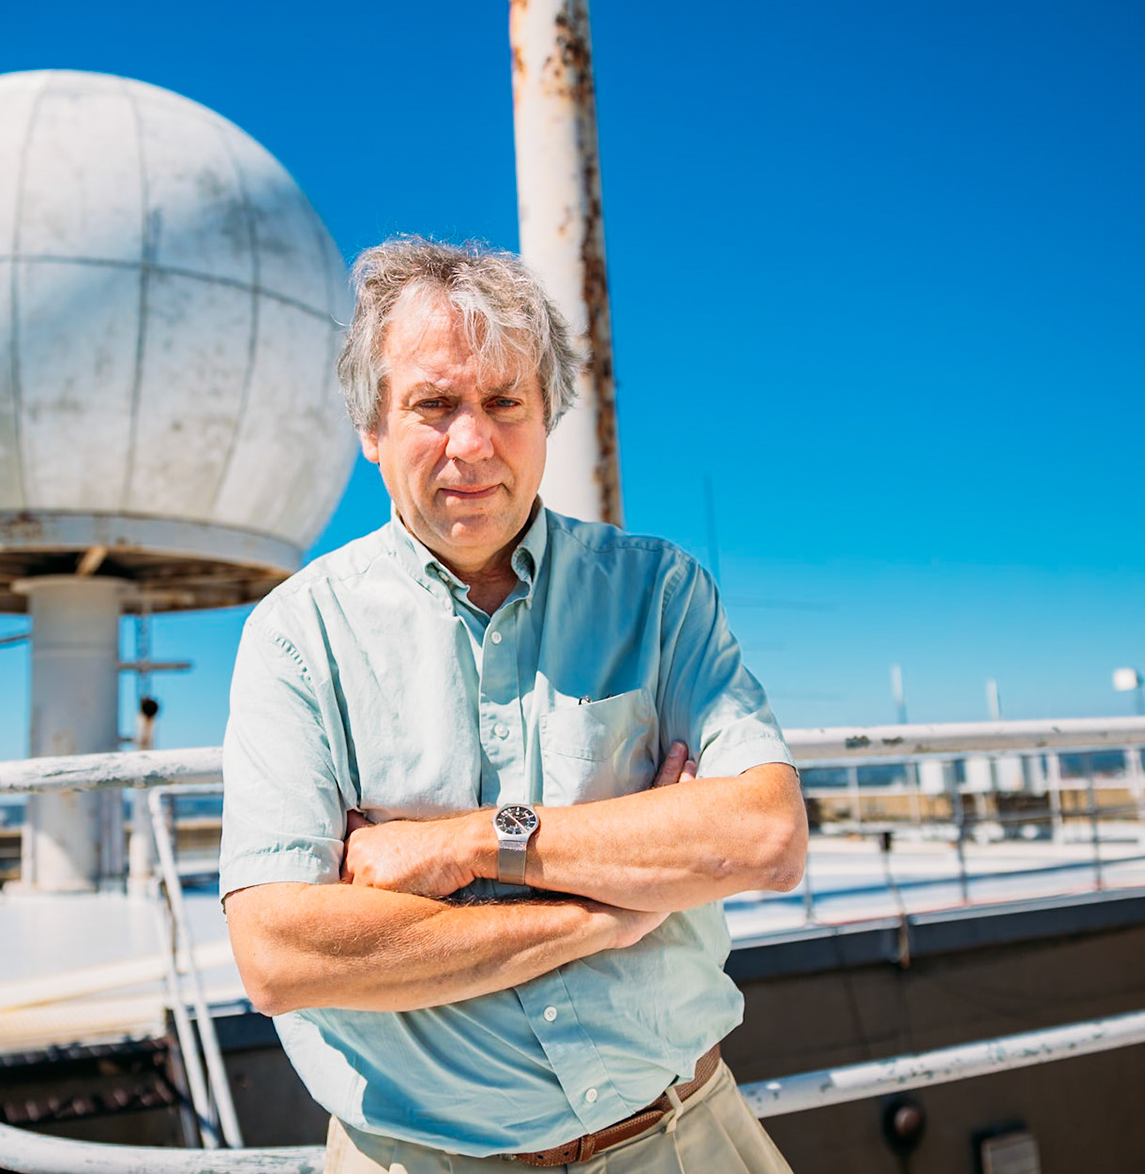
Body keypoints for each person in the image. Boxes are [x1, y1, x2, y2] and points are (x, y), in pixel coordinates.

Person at [219, 237, 808, 1172]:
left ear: (547, 417)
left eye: (504, 404)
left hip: (685, 1133)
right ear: (371, 427)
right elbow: (280, 953)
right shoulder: (299, 636)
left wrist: (466, 842)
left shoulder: (657, 595)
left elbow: (766, 836)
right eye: (433, 405)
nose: (472, 444)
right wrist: (608, 910)